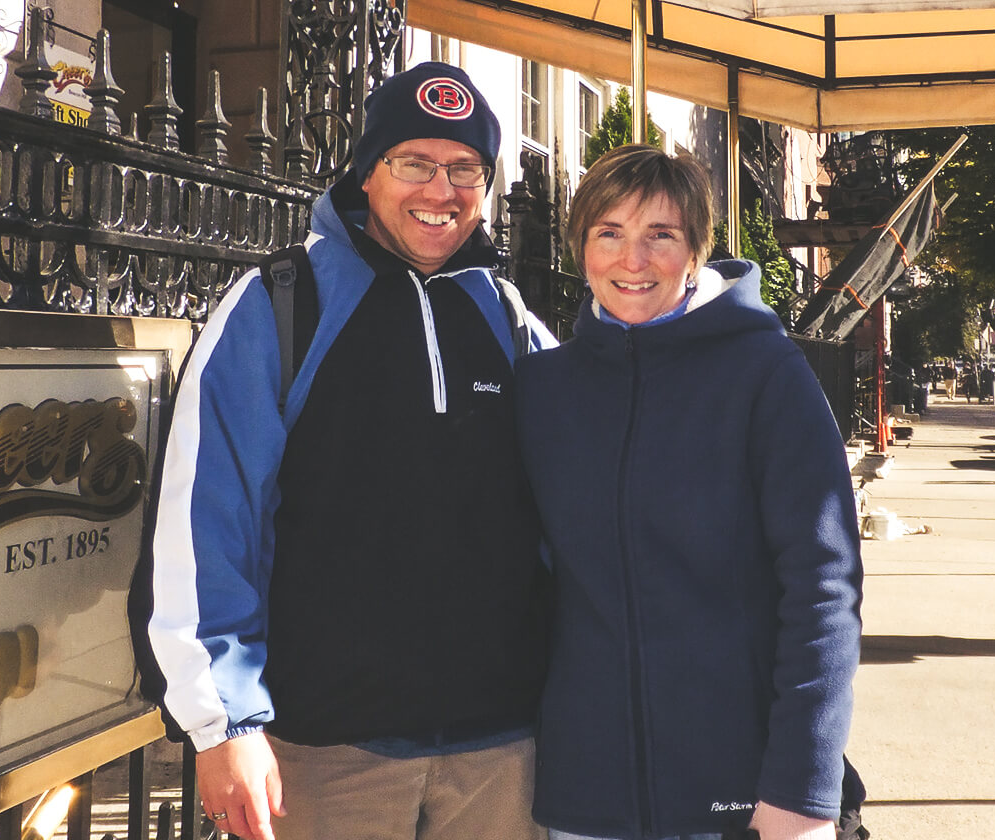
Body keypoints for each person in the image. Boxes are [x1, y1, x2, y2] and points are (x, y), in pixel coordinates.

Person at [134, 62, 552, 840]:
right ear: (367, 172)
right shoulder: (280, 303)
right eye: (415, 163)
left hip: (500, 752)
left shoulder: (511, 317)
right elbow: (206, 519)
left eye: (466, 169)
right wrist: (223, 721)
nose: (442, 191)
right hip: (327, 751)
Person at [514, 144, 863, 840]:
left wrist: (804, 782)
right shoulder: (541, 391)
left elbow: (825, 586)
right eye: (608, 233)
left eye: (660, 236)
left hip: (741, 790)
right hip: (586, 796)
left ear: (697, 250)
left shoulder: (767, 374)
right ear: (581, 248)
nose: (632, 261)